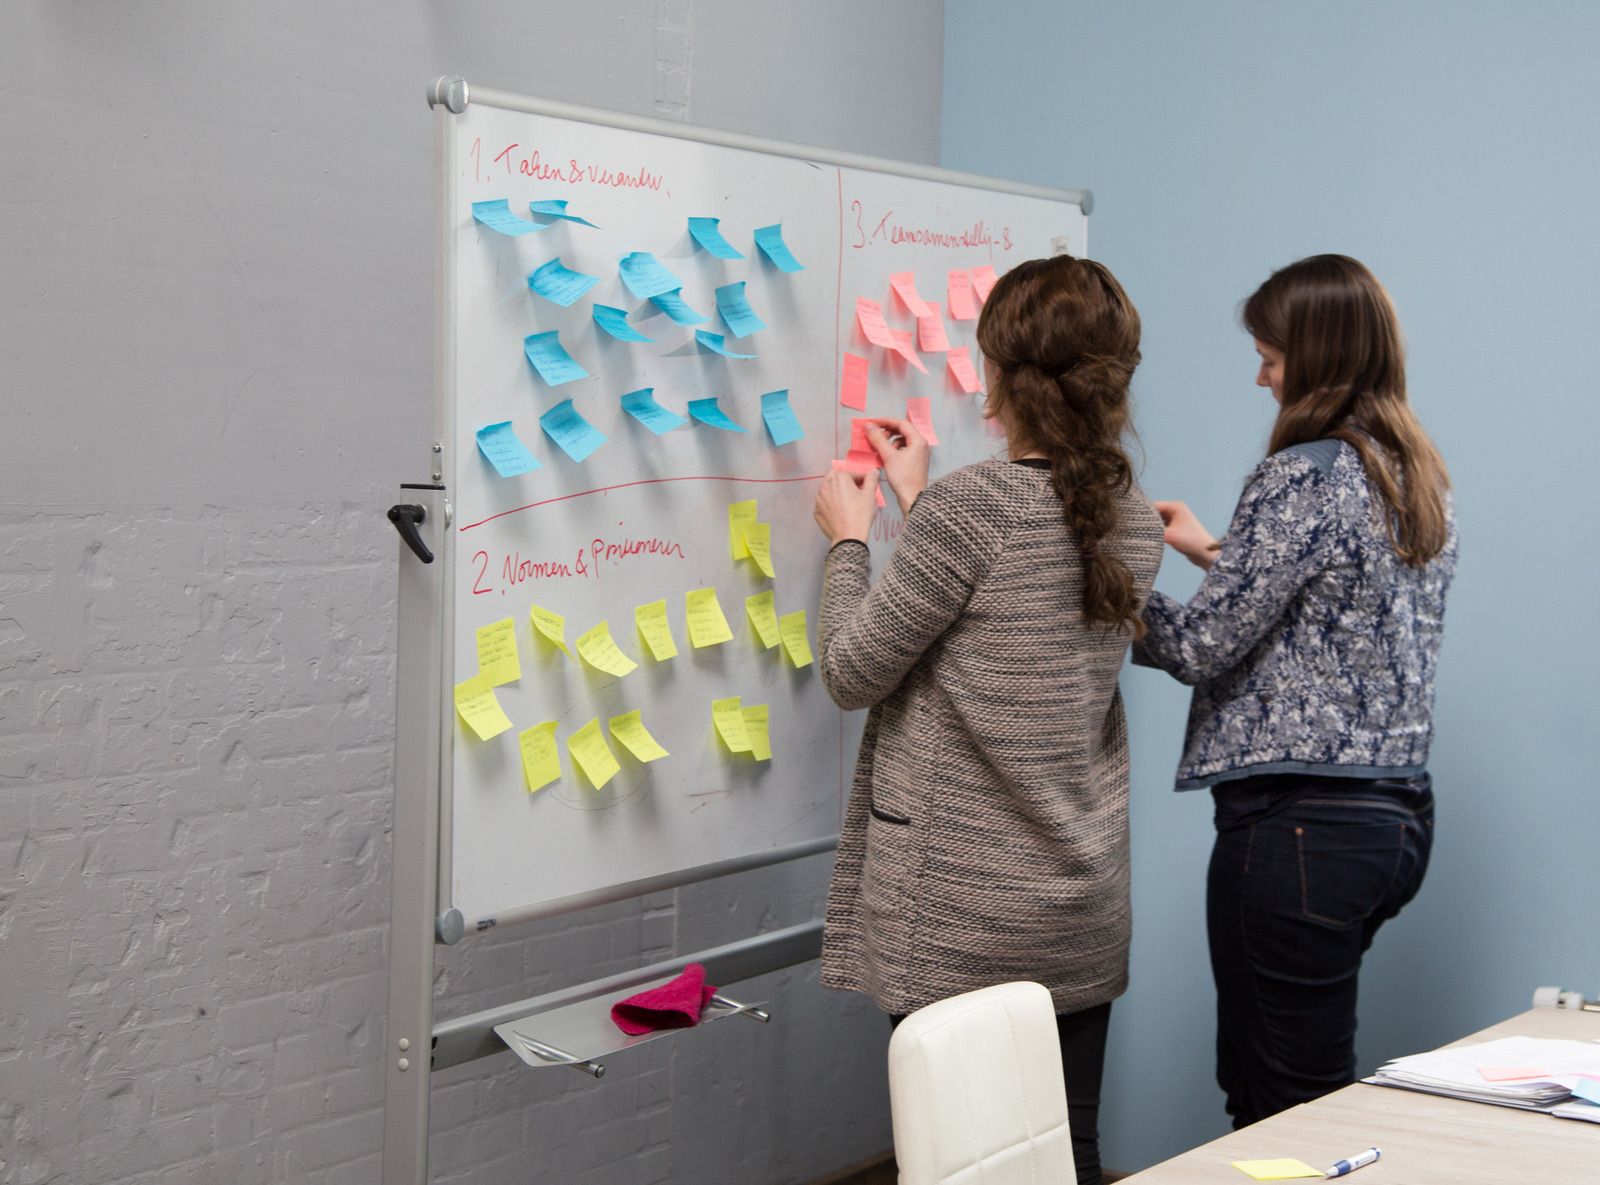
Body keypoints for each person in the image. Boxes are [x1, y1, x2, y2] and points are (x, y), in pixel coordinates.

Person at [811, 255, 1164, 1185]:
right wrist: (921, 502)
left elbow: (851, 670)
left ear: (1002, 376)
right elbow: (1010, 607)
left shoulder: (973, 509)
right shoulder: (1131, 516)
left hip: (961, 913)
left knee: (957, 1164)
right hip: (1077, 905)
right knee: (1066, 1153)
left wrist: (850, 541)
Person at [1134, 254, 1457, 1128]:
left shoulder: (1299, 477)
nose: (1261, 374)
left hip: (1299, 829)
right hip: (1392, 823)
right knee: (1293, 1085)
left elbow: (1201, 644)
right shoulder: (1410, 475)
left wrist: (1105, 582)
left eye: (1270, 355)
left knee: (1284, 1107)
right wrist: (1215, 553)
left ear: (1314, 356)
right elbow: (1342, 607)